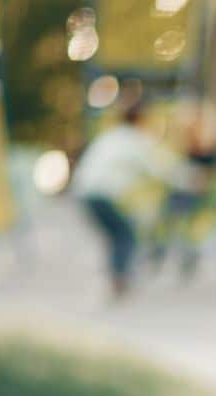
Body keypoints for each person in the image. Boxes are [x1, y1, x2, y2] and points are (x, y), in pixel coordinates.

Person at [71, 101, 179, 298]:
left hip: (83, 192)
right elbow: (159, 170)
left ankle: (116, 276)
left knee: (117, 234)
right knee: (125, 235)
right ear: (141, 119)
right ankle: (119, 280)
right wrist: (189, 180)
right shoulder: (135, 140)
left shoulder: (109, 136)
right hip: (102, 194)